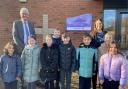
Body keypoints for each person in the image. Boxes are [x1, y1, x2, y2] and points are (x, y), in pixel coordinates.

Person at [90, 18, 106, 89]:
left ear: (102, 25)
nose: (99, 25)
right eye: (97, 23)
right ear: (95, 25)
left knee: (103, 73)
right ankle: (94, 86)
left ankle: (101, 85)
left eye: (100, 23)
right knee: (95, 72)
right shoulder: (92, 33)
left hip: (105, 56)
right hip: (96, 56)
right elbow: (91, 44)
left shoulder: (106, 33)